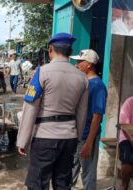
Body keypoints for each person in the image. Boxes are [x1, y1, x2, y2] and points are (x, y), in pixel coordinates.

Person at [17, 33, 89, 190]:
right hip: (69, 138)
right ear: (70, 52)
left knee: (38, 183)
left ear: (50, 49)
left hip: (44, 137)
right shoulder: (82, 78)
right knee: (63, 183)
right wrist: (76, 136)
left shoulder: (41, 72)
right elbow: (82, 113)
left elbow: (30, 108)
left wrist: (23, 140)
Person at [70, 49, 107, 190]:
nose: (77, 64)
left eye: (80, 62)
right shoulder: (84, 82)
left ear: (89, 65)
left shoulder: (98, 86)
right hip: (76, 135)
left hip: (86, 137)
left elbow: (97, 116)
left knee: (88, 174)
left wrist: (89, 143)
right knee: (69, 171)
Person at [118, 96, 133, 190]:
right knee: (129, 156)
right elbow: (123, 126)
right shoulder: (129, 102)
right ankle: (124, 186)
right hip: (127, 137)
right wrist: (132, 140)